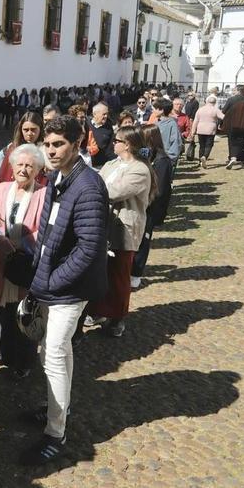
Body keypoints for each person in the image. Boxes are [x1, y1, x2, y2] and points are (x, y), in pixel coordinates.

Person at [21, 116, 108, 465]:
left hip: (70, 288)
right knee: (52, 352)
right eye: (48, 144)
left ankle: (56, 433)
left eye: (58, 145)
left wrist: (52, 281)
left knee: (55, 352)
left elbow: (88, 249)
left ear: (76, 144)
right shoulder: (58, 176)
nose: (51, 151)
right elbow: (48, 233)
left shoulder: (88, 186)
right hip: (50, 282)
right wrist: (39, 275)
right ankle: (57, 407)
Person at [0, 144, 46, 377]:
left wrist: (23, 242)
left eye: (30, 165)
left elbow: (45, 229)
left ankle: (24, 361)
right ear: (12, 166)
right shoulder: (0, 190)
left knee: (25, 311)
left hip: (25, 262)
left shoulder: (43, 194)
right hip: (0, 259)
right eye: (20, 164)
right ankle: (3, 353)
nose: (24, 169)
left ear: (38, 169)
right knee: (1, 309)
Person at [88, 126, 156, 337]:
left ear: (127, 144)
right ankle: (100, 310)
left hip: (124, 229)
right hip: (104, 226)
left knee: (118, 276)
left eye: (116, 140)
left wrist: (88, 187)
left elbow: (112, 191)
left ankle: (117, 317)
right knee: (101, 273)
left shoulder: (139, 170)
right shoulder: (111, 164)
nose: (112, 143)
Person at [132, 125, 174, 288]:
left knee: (143, 240)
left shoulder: (162, 160)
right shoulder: (148, 155)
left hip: (149, 208)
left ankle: (136, 274)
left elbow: (161, 190)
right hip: (141, 205)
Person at [0, 111, 45, 188]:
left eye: (33, 130)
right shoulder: (7, 152)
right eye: (26, 130)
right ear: (21, 130)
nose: (29, 134)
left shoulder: (46, 153)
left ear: (40, 129)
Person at [189, 95, 225, 168]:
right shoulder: (215, 109)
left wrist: (193, 131)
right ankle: (205, 157)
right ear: (214, 103)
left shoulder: (200, 109)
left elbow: (195, 121)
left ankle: (200, 161)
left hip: (200, 129)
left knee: (201, 145)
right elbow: (223, 117)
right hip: (211, 129)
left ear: (206, 101)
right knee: (209, 145)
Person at [152, 98, 181, 170]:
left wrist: (171, 159)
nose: (153, 110)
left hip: (166, 159)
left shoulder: (171, 124)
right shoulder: (156, 123)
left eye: (155, 108)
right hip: (156, 159)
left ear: (161, 110)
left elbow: (176, 141)